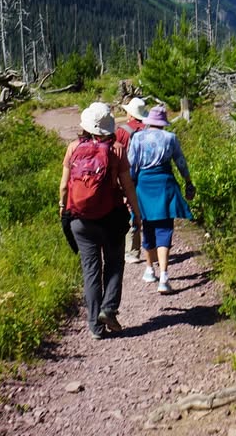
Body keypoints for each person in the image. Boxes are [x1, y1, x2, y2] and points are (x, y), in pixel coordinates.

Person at [60, 102, 142, 338]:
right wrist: (136, 214)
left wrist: (63, 210)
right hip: (111, 217)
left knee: (91, 270)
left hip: (80, 219)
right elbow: (127, 186)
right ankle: (109, 308)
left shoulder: (73, 148)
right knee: (115, 263)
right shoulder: (116, 149)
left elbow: (64, 186)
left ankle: (95, 327)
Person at [127, 104, 195, 295]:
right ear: (163, 122)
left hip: (144, 185)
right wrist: (188, 182)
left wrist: (129, 188)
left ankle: (150, 270)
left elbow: (132, 164)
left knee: (146, 225)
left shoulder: (138, 137)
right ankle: (164, 277)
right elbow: (180, 162)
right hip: (165, 183)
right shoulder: (170, 138)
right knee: (165, 228)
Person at [115, 97, 147, 264]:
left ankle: (132, 251)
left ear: (130, 113)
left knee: (132, 210)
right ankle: (153, 250)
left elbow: (115, 152)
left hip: (129, 174)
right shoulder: (150, 128)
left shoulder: (122, 131)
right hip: (148, 174)